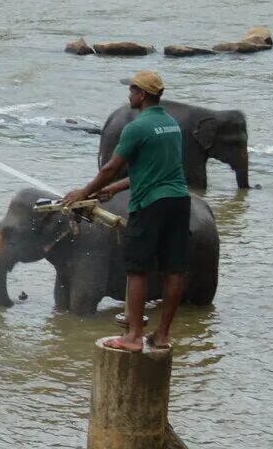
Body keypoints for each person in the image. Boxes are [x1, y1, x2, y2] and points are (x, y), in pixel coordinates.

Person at [62, 70, 190, 353]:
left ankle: (133, 336)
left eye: (132, 90)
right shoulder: (171, 124)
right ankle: (162, 335)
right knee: (174, 271)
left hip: (150, 204)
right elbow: (157, 168)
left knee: (136, 270)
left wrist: (83, 193)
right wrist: (115, 189)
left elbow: (109, 167)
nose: (128, 95)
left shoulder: (136, 128)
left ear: (142, 95)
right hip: (179, 201)